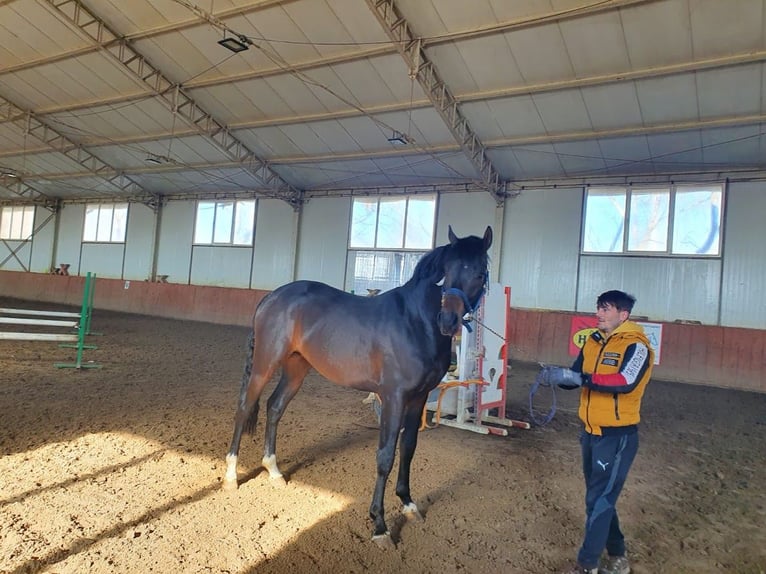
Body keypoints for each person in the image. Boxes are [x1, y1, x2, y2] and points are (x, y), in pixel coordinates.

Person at [542, 290, 654, 574]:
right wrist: (558, 377)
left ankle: (586, 564)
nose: (599, 313)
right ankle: (618, 556)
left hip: (618, 436)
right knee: (600, 497)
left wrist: (581, 378)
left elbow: (625, 381)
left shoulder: (637, 346)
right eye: (598, 308)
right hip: (589, 432)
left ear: (623, 315)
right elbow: (576, 377)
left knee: (599, 498)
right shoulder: (592, 341)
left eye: (606, 309)